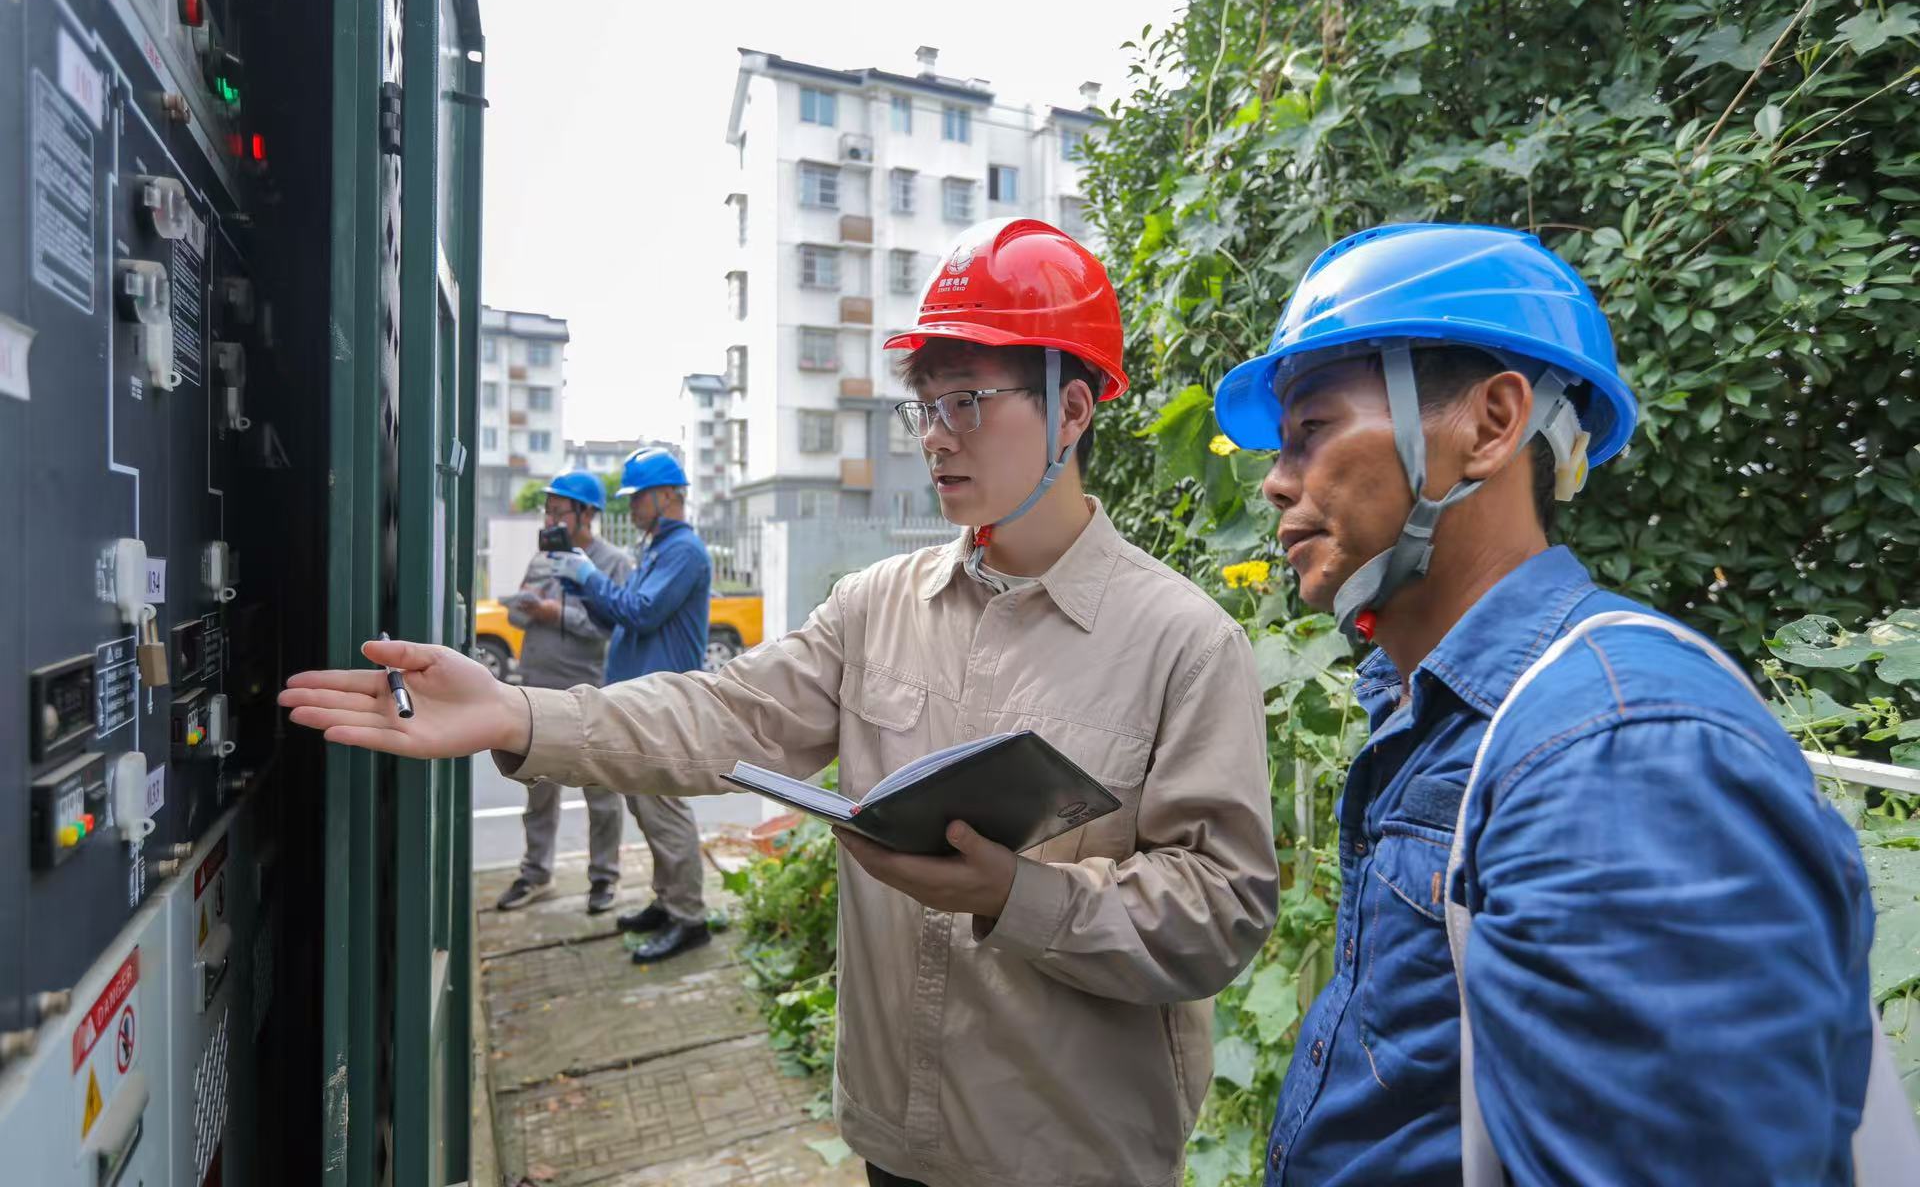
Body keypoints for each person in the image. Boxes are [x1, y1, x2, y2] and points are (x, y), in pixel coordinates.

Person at [280, 218, 1279, 1187]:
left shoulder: (1183, 641)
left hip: (1069, 1154)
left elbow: (1222, 910)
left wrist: (1013, 894)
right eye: (923, 407)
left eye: (968, 399)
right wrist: (517, 712)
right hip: (899, 1131)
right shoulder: (877, 607)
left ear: (1074, 407)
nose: (936, 437)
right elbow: (720, 715)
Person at [1210, 223, 1897, 1184]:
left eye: (1312, 429)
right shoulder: (1443, 708)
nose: (1277, 481)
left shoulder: (1619, 753)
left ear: (1492, 425)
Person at [548, 446, 714, 962]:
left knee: (663, 809)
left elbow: (642, 612)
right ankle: (668, 901)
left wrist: (589, 576)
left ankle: (690, 918)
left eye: (638, 496)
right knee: (646, 806)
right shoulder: (657, 548)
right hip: (641, 699)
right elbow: (622, 617)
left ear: (668, 495)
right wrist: (583, 586)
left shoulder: (684, 550)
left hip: (662, 702)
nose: (632, 507)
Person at [495, 470, 634, 914]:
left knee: (600, 789)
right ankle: (536, 874)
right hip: (535, 688)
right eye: (548, 511)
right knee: (537, 789)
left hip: (586, 689)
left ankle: (604, 878)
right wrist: (524, 607)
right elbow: (516, 619)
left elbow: (608, 629)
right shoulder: (542, 558)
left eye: (560, 511)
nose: (552, 518)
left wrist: (556, 613)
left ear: (587, 514)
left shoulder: (614, 562)